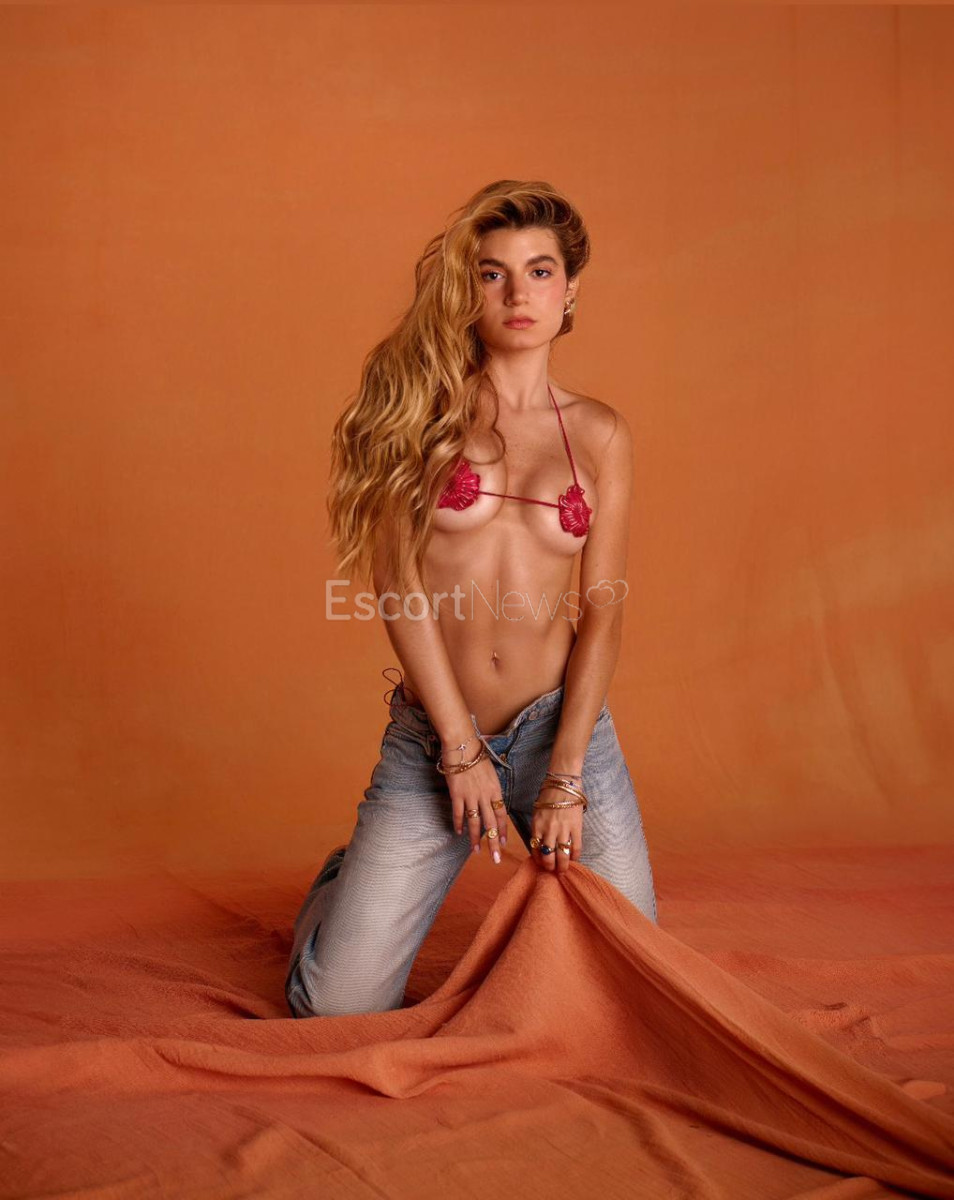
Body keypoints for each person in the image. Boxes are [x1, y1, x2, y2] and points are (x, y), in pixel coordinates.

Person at [285, 179, 658, 1018]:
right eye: (493, 274)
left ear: (570, 291)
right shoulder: (418, 414)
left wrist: (567, 775)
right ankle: (340, 889)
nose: (518, 294)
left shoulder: (600, 433)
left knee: (638, 987)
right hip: (436, 736)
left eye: (539, 272)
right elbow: (399, 587)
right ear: (468, 291)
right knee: (335, 1009)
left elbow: (603, 607)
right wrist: (458, 748)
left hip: (560, 729)